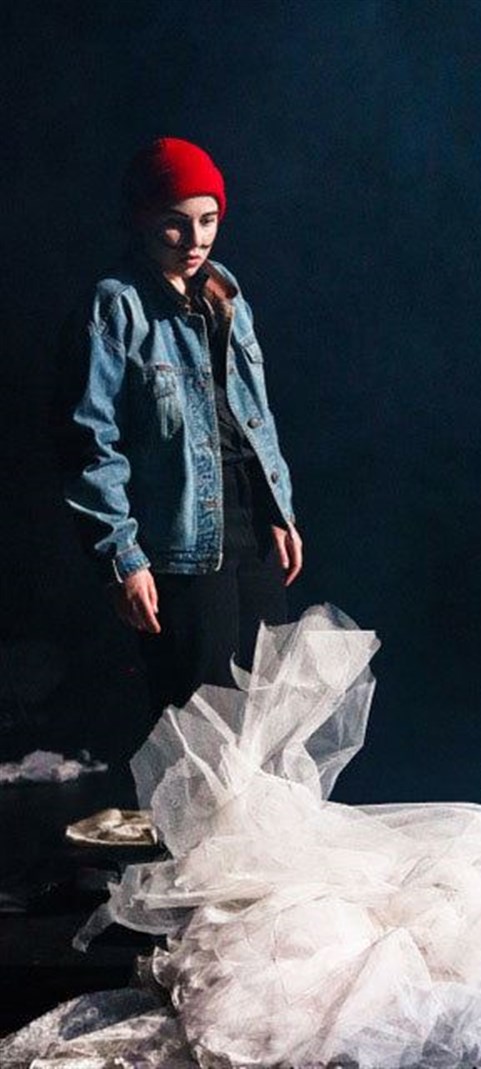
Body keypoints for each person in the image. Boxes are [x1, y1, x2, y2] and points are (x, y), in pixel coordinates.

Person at [55, 137, 302, 716]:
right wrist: (123, 557)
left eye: (208, 220)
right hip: (178, 535)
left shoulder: (224, 288)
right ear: (142, 220)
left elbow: (253, 413)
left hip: (251, 523)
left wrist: (279, 509)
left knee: (265, 711)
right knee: (201, 717)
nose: (196, 240)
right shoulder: (115, 307)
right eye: (176, 223)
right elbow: (89, 442)